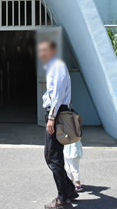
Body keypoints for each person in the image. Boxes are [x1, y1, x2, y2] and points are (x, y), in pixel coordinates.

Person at [38, 39, 77, 209]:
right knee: (54, 155)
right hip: (56, 111)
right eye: (40, 50)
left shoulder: (57, 67)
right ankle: (69, 190)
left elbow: (58, 94)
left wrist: (52, 118)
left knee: (52, 157)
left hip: (58, 112)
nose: (42, 53)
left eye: (45, 50)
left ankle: (62, 197)